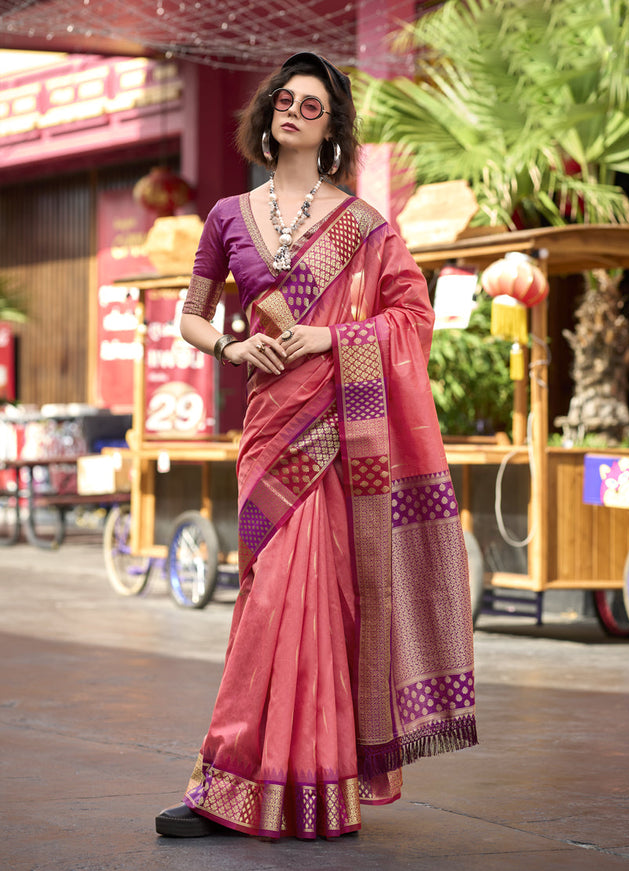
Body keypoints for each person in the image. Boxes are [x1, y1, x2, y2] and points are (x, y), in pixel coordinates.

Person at [155, 51, 477, 842]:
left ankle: (308, 785)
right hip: (271, 428)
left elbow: (412, 317)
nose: (294, 111)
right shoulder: (228, 215)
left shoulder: (364, 226)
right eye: (285, 100)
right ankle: (237, 778)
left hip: (337, 436)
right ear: (267, 113)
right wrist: (233, 347)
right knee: (267, 595)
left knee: (317, 603)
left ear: (332, 129)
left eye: (312, 105)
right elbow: (191, 315)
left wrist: (328, 338)